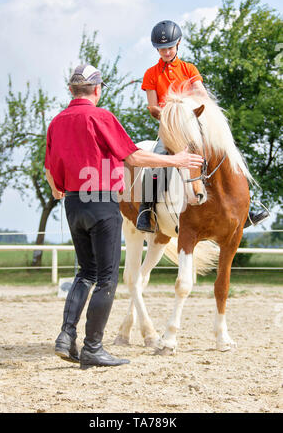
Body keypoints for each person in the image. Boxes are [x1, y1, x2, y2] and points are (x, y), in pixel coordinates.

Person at [45, 63, 204, 369]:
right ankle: (92, 348)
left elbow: (50, 172)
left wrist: (58, 189)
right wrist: (177, 160)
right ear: (98, 89)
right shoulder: (101, 116)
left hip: (74, 204)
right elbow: (133, 156)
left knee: (85, 274)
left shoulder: (57, 122)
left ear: (71, 90)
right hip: (103, 202)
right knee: (107, 278)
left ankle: (66, 336)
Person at [136, 20, 269, 232]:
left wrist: (204, 113)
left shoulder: (189, 69)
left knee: (229, 154)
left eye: (170, 47)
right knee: (156, 161)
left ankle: (246, 208)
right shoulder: (151, 74)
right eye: (162, 49)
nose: (166, 52)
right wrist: (170, 117)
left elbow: (201, 94)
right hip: (170, 130)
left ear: (178, 44)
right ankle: (147, 209)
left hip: (194, 127)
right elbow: (153, 106)